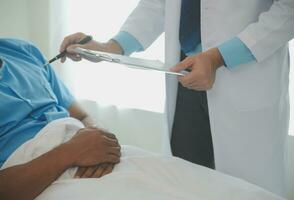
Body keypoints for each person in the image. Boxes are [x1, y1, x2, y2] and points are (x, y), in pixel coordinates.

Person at [60, 0, 294, 196]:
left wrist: (217, 57)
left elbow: (288, 10)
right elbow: (159, 3)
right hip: (185, 78)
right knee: (187, 187)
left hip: (246, 76)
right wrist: (112, 47)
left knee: (248, 191)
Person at [0, 38, 121, 200]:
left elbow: (83, 116)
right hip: (36, 177)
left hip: (88, 147)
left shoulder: (24, 51)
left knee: (159, 174)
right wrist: (73, 151)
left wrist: (102, 141)